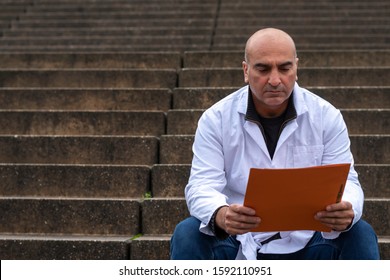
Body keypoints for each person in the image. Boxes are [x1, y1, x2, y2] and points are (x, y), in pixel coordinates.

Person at [170, 28, 380, 260]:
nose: (274, 80)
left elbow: (348, 180)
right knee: (187, 233)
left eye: (284, 68)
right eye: (262, 68)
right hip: (240, 238)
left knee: (360, 232)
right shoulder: (216, 119)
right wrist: (221, 214)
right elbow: (201, 185)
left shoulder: (326, 116)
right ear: (246, 70)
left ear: (296, 68)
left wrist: (347, 209)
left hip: (310, 238)